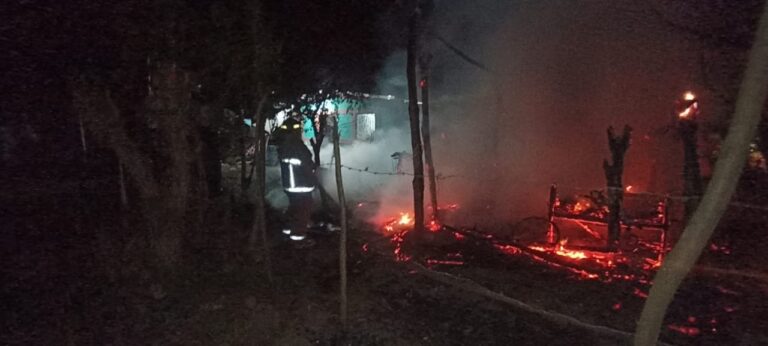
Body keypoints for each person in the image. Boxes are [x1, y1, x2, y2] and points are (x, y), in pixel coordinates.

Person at [275, 115, 316, 247]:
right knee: (302, 211)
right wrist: (313, 173)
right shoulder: (297, 146)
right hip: (300, 184)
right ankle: (298, 239)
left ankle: (288, 231)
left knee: (294, 208)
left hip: (290, 184)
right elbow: (306, 164)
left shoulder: (284, 146)